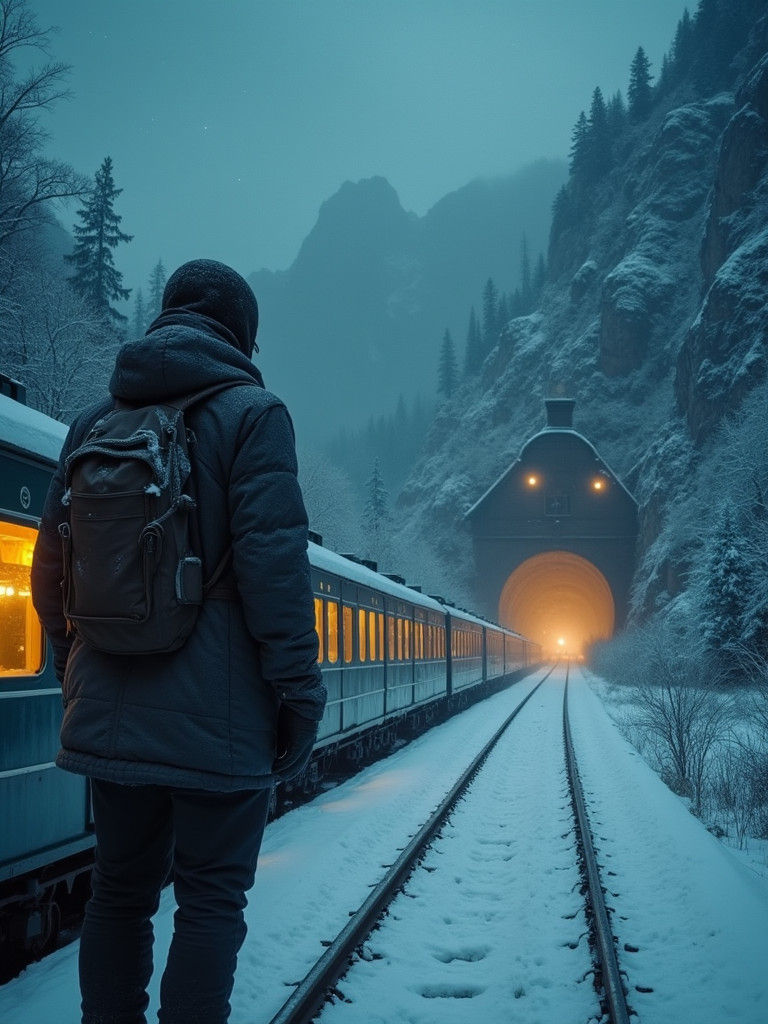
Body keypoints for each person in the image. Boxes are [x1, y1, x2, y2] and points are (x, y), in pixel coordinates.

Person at [31, 259, 326, 1024]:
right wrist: (297, 697)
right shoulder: (255, 415)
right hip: (221, 728)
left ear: (167, 320)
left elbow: (53, 566)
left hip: (108, 711)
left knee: (118, 895)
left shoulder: (93, 425)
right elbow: (274, 576)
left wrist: (75, 668)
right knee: (209, 902)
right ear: (241, 335)